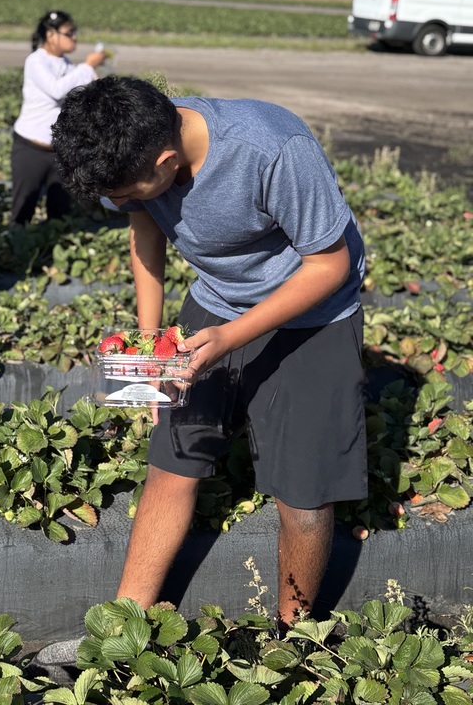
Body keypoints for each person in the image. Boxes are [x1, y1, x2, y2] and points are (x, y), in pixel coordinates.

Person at [51, 75, 367, 633]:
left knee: (303, 495)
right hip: (215, 301)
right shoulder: (128, 151)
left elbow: (330, 266)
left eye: (125, 194)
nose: (119, 204)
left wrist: (231, 337)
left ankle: (292, 637)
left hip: (312, 310)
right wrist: (152, 351)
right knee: (171, 465)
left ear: (167, 159)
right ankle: (122, 626)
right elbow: (143, 233)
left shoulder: (272, 149)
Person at [10, 9, 107, 225]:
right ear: (51, 35)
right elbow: (56, 90)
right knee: (23, 206)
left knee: (60, 208)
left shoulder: (67, 64)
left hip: (59, 149)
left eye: (74, 32)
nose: (75, 37)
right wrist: (88, 66)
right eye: (69, 32)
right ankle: (15, 252)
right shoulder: (36, 61)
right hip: (30, 147)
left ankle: (51, 249)